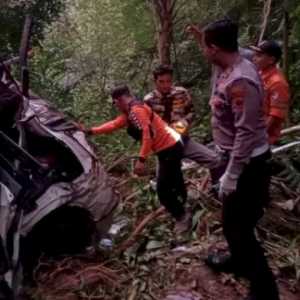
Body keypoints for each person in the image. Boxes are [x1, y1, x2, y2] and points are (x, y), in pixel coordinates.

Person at [187, 19, 280, 300]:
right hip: (230, 158)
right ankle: (239, 262)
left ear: (214, 49)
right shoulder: (236, 59)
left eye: (205, 46)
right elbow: (226, 48)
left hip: (247, 164)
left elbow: (247, 131)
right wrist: (201, 36)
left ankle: (265, 292)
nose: (203, 50)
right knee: (232, 223)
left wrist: (234, 173)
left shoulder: (241, 81)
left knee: (240, 228)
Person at [86, 85, 191, 234]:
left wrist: (141, 160)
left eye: (115, 103)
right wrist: (90, 131)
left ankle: (182, 216)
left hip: (170, 148)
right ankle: (184, 203)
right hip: (169, 147)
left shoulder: (136, 111)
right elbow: (114, 124)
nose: (115, 106)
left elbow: (148, 136)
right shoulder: (130, 111)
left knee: (163, 190)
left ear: (120, 100)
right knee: (175, 178)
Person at [144, 64, 220, 169]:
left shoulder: (181, 93)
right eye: (161, 82)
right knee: (167, 178)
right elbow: (147, 126)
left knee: (214, 159)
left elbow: (191, 112)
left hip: (183, 139)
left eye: (168, 81)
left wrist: (182, 125)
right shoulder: (149, 100)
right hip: (164, 146)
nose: (166, 85)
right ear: (155, 81)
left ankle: (217, 185)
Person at [250, 40, 290, 144]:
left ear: (271, 60)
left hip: (263, 137)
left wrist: (259, 135)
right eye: (254, 54)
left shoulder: (277, 82)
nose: (254, 58)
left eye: (259, 55)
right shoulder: (259, 73)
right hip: (252, 129)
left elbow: (275, 115)